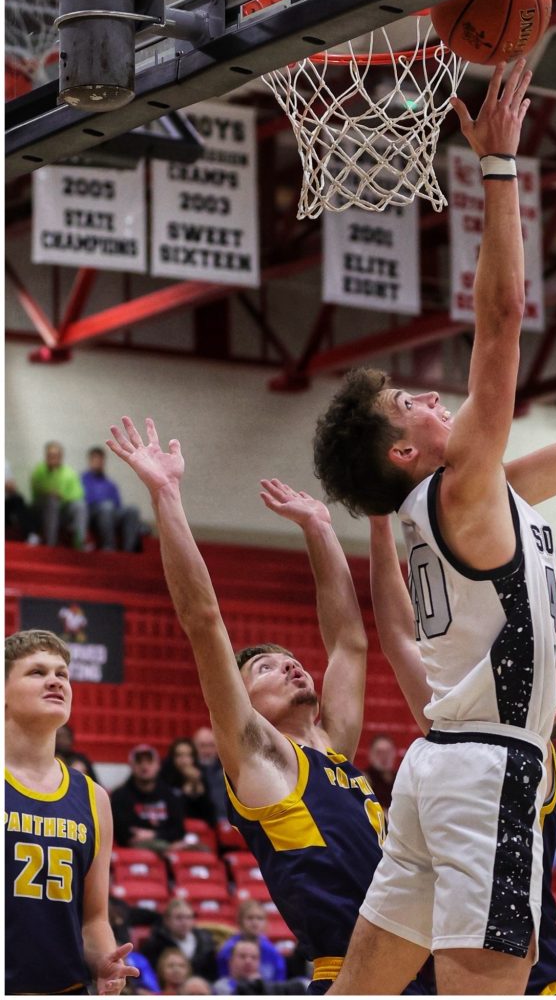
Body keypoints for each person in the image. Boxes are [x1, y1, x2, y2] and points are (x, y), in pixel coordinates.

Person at [314, 56, 556, 995]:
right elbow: (499, 322)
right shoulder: (458, 489)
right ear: (404, 453)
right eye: (410, 404)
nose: (430, 397)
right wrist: (498, 166)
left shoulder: (468, 497)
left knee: (363, 989)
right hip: (488, 768)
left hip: (437, 768)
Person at [107, 416, 387, 996]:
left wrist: (320, 527)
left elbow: (349, 643)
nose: (290, 666)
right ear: (246, 703)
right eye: (266, 668)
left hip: (417, 958)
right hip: (353, 973)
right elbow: (203, 619)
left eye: (292, 661)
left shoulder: (333, 746)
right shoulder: (261, 757)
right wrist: (166, 494)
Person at [367, 513, 556, 995]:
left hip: (537, 978)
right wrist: (378, 525)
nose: (531, 665)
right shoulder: (472, 731)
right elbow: (399, 639)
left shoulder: (530, 751)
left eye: (548, 668)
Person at [5, 629, 139, 995]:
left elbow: (93, 919)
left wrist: (105, 963)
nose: (55, 681)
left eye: (62, 674)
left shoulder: (94, 798)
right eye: (37, 672)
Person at [110, 743, 187, 852]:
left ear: (158, 765)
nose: (144, 766)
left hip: (168, 844)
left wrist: (155, 834)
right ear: (131, 766)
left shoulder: (170, 795)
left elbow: (179, 830)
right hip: (136, 851)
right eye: (139, 762)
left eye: (149, 761)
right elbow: (124, 834)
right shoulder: (120, 796)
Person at [140, 897, 219, 982]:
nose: (184, 922)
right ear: (167, 920)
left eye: (188, 917)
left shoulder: (206, 942)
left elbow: (212, 974)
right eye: (179, 918)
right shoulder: (154, 946)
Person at [82, 445, 141, 552]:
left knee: (132, 509)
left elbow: (118, 504)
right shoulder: (82, 480)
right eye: (95, 459)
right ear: (90, 461)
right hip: (92, 515)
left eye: (100, 459)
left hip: (110, 513)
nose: (98, 462)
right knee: (107, 507)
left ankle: (129, 550)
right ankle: (109, 546)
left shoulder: (110, 484)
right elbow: (83, 502)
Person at [30, 440, 88, 548]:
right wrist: (50, 493)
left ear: (61, 456)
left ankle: (79, 542)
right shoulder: (39, 470)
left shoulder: (69, 472)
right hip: (42, 510)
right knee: (51, 501)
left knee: (80, 505)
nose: (53, 457)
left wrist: (62, 496)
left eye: (56, 455)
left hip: (63, 510)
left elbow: (78, 494)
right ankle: (51, 544)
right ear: (46, 456)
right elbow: (36, 490)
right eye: (50, 455)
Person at [217, 900, 287, 982]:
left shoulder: (273, 952)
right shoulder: (227, 950)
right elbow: (223, 979)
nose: (255, 922)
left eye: (259, 918)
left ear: (266, 922)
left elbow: (279, 981)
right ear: (240, 921)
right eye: (250, 918)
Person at [213, 936, 304, 995]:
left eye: (254, 957)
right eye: (242, 956)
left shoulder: (272, 986)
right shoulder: (221, 987)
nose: (248, 961)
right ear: (230, 961)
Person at [161, 736, 217, 826]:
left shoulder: (201, 777)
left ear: (194, 758)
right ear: (172, 758)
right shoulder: (164, 778)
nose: (184, 760)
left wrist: (197, 786)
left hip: (199, 829)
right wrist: (184, 795)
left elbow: (211, 818)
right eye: (179, 755)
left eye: (188, 755)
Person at [193, 725, 229, 821]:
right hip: (199, 821)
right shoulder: (188, 769)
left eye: (211, 745)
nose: (207, 751)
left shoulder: (227, 768)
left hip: (225, 819)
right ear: (194, 747)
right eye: (202, 746)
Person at [5, 458, 39, 543]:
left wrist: (9, 486)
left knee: (17, 499)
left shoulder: (4, 464)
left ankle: (31, 534)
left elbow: (12, 487)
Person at [363, 733, 398, 811]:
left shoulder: (400, 779)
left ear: (394, 753)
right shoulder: (364, 780)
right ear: (371, 754)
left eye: (388, 752)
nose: (384, 756)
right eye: (379, 752)